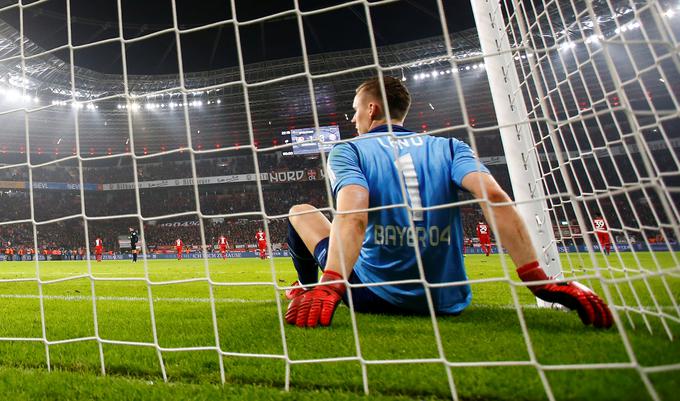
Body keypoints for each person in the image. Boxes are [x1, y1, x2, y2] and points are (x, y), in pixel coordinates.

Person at [284, 76, 613, 329]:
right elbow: (495, 197)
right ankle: (311, 285)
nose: (354, 120)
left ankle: (311, 286)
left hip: (372, 296)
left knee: (300, 212)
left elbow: (354, 211)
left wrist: (332, 283)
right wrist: (537, 279)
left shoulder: (349, 149)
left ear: (372, 110)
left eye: (355, 111)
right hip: (446, 299)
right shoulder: (451, 147)